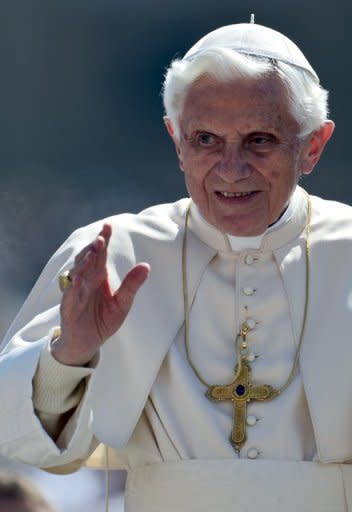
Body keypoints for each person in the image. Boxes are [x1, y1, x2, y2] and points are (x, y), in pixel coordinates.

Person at [0, 18, 351, 511]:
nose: (231, 168)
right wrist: (70, 354)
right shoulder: (115, 251)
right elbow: (18, 439)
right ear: (176, 140)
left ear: (312, 146)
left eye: (259, 140)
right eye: (205, 140)